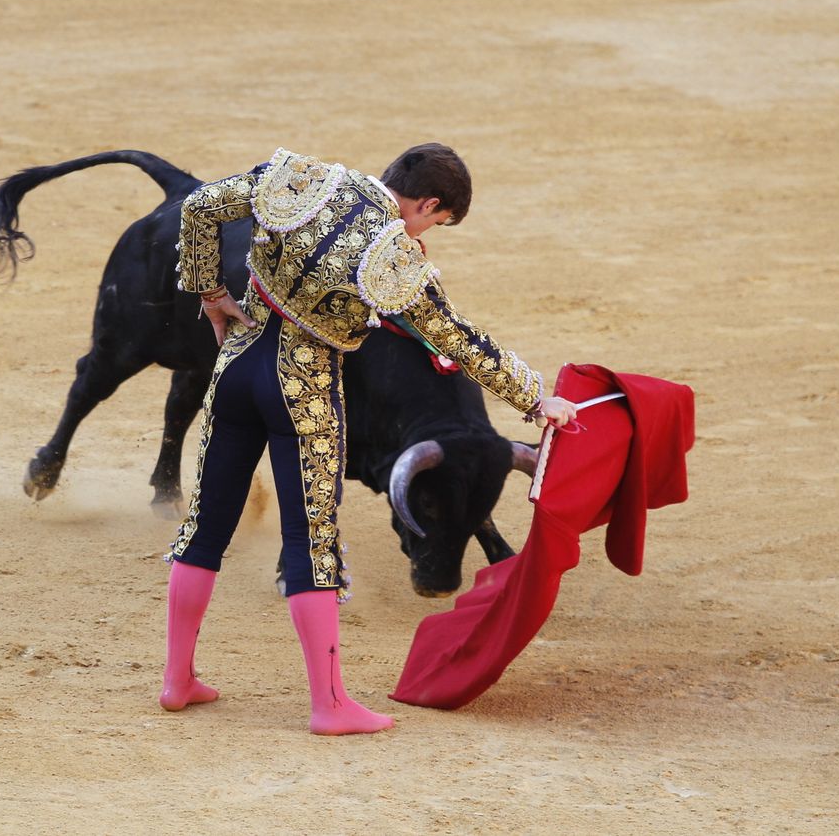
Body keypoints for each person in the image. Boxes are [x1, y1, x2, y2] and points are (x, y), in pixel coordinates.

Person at [159, 143, 580, 734]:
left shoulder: (304, 178)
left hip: (235, 367)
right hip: (300, 390)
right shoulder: (393, 259)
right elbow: (457, 339)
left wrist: (210, 294)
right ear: (429, 202)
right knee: (312, 541)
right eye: (436, 219)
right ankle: (329, 704)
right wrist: (537, 397)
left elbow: (199, 205)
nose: (428, 229)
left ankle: (178, 680)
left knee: (205, 526)